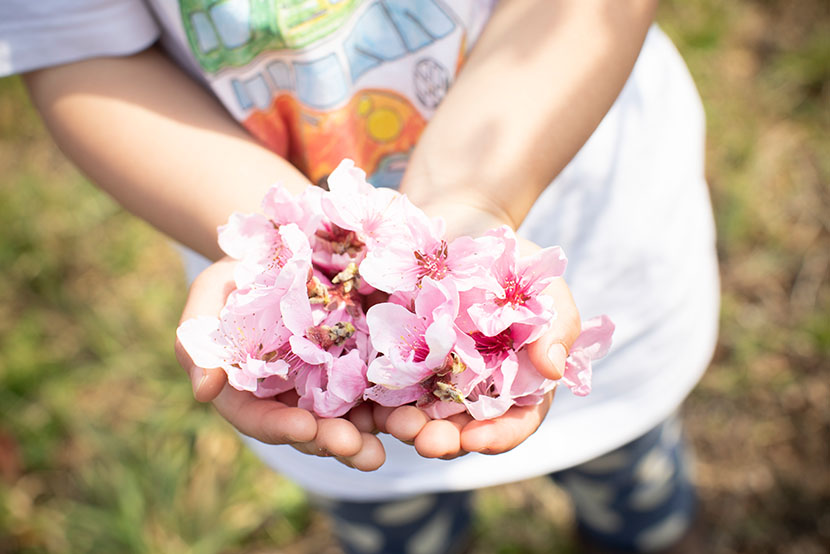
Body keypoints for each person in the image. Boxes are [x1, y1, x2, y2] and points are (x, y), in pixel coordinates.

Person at [1, 0, 720, 551]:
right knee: (392, 522)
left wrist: (477, 200)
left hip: (595, 238)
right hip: (312, 349)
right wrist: (287, 240)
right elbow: (80, 48)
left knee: (630, 477)